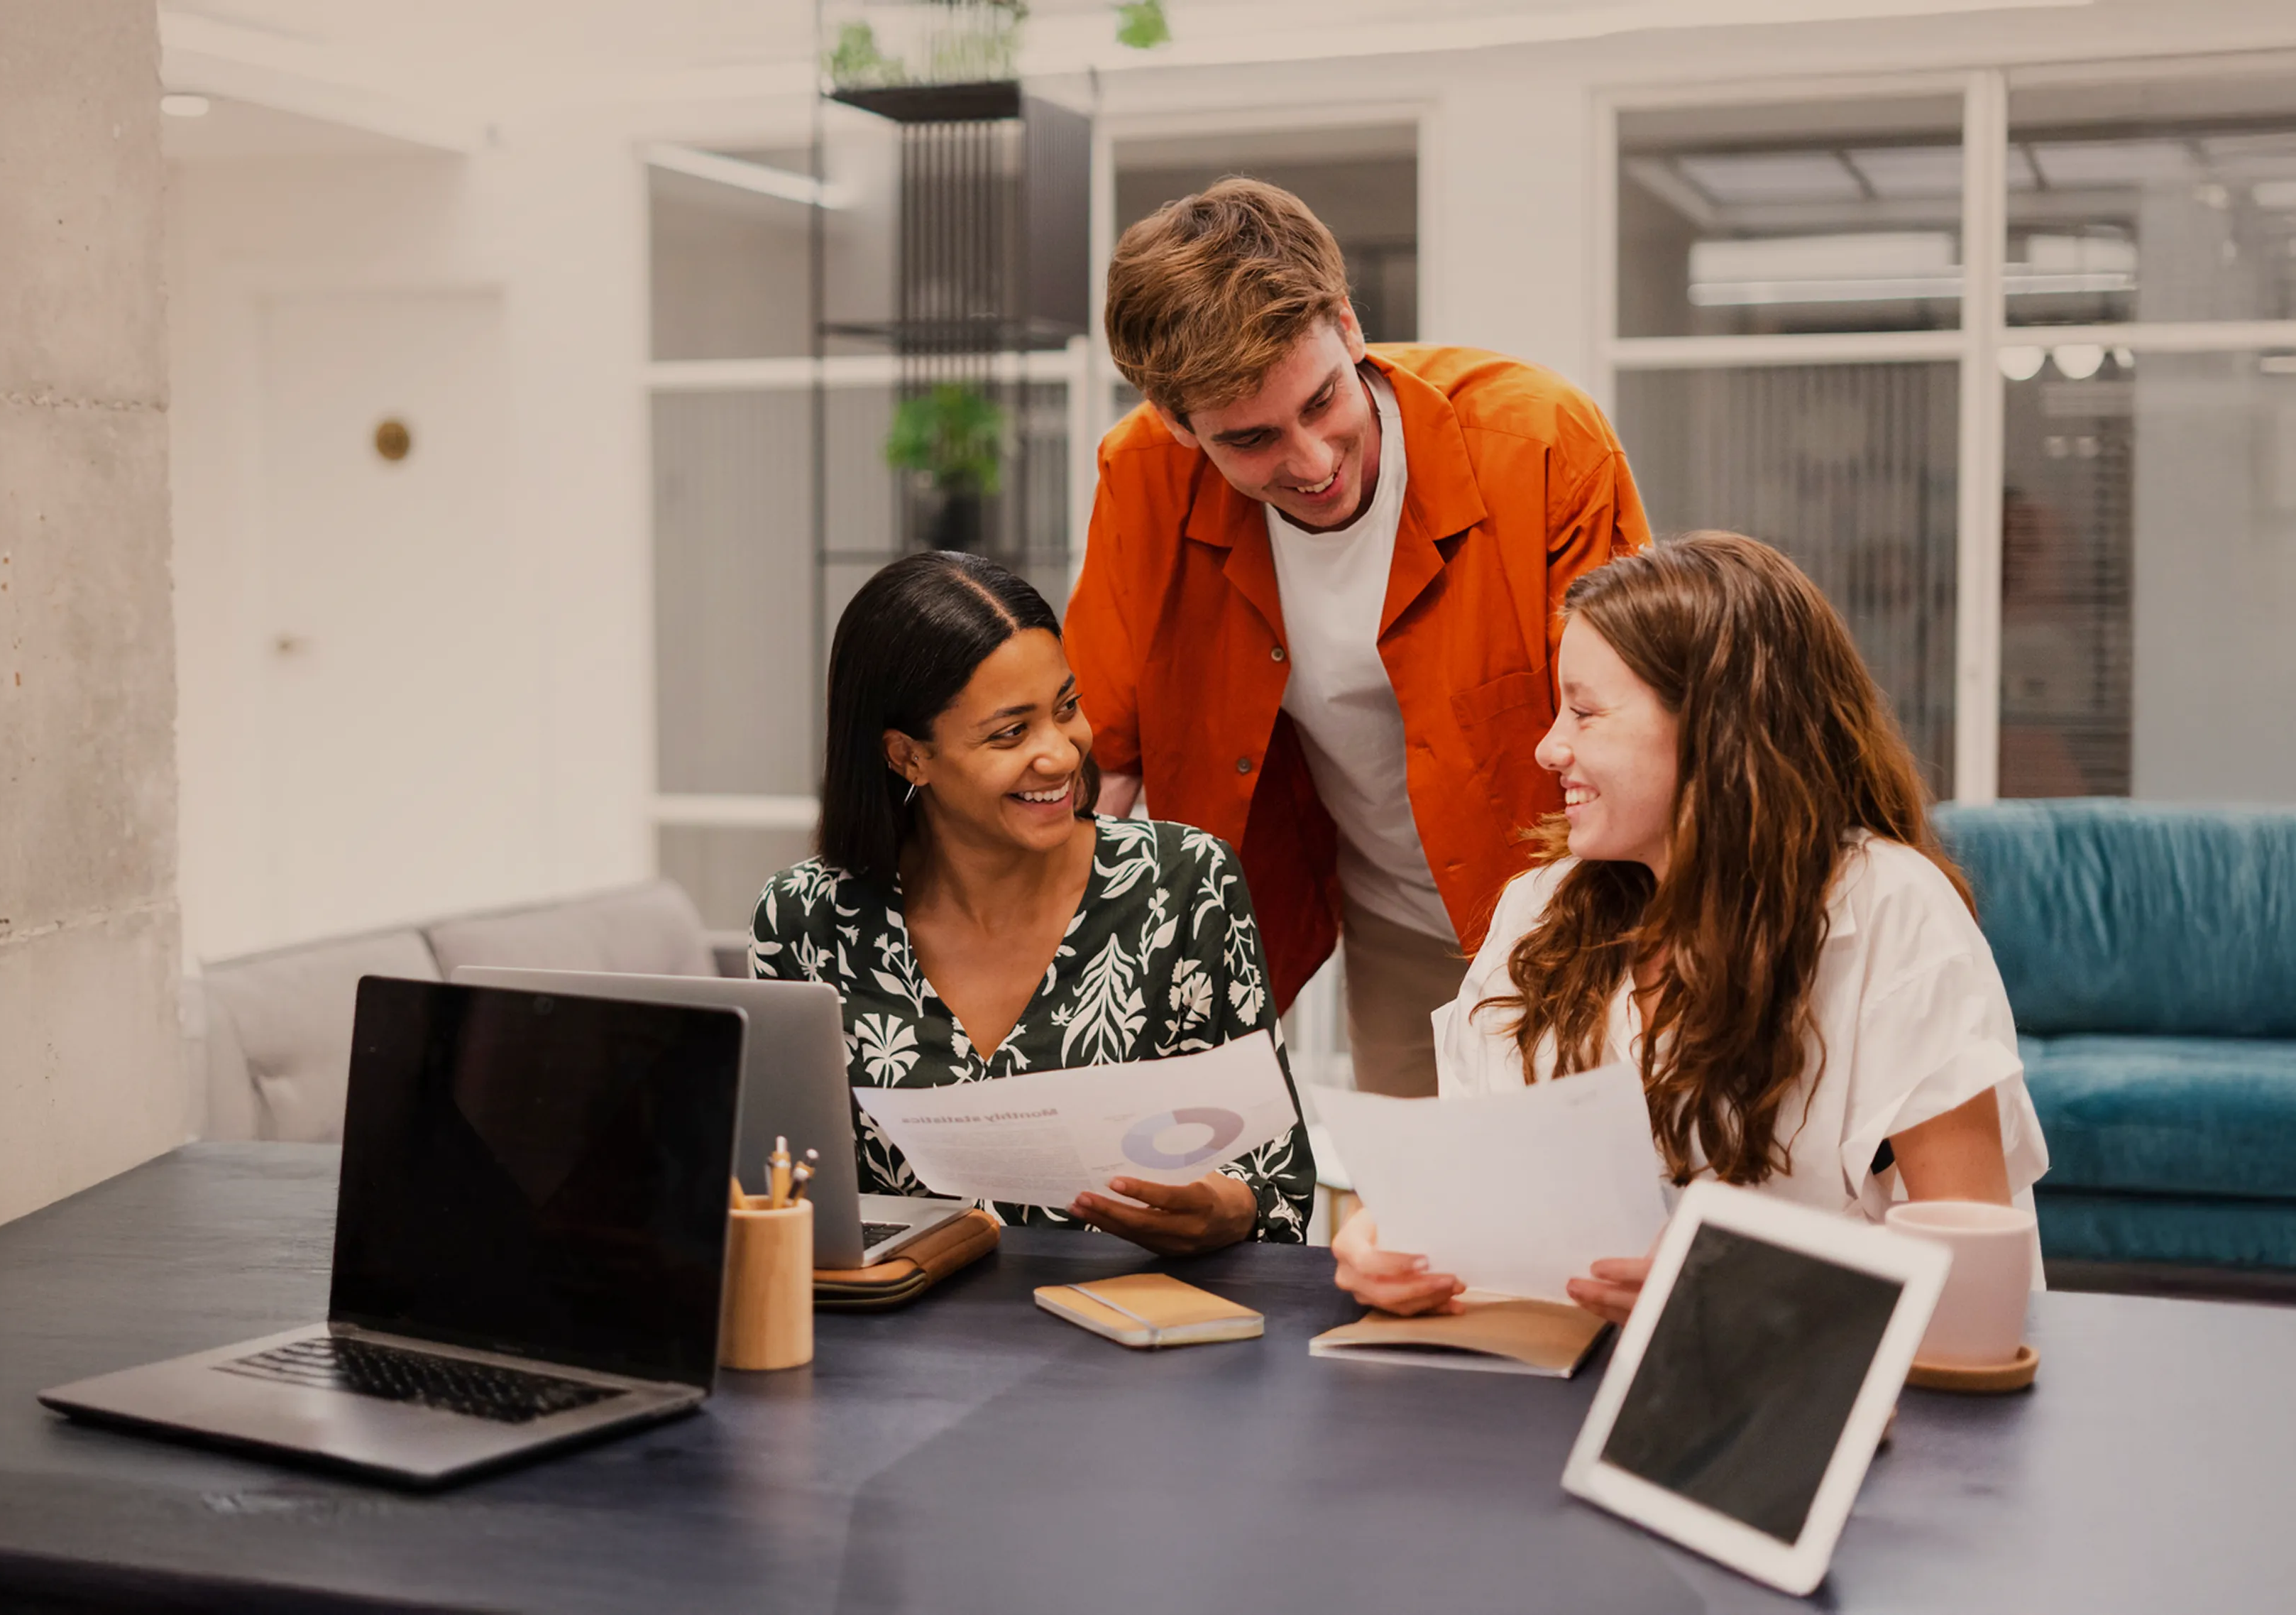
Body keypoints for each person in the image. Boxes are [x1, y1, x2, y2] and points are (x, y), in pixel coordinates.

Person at [1331, 531, 2050, 1322]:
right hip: (1540, 1382)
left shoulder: (1889, 908)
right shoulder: (1536, 910)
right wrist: (1392, 1233)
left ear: (1715, 727)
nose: (1548, 746)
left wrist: (1730, 1288)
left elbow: (1978, 1283)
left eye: (1584, 711)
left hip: (1791, 1404)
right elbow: (1469, 1181)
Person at [1066, 177, 1649, 1097]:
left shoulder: (1539, 444)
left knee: (1601, 1218)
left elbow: (1638, 726)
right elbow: (1099, 757)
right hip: (1402, 928)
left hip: (1587, 911)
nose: (1311, 461)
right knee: (1420, 1228)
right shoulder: (1143, 475)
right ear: (1178, 425)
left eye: (1323, 401)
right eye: (1250, 439)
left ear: (1346, 326)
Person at [751, 551, 1314, 1253]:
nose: (1061, 752)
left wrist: (1222, 1208)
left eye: (1066, 708)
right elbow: (785, 1195)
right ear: (907, 756)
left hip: (1135, 1331)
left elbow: (1275, 1181)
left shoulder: (1184, 883)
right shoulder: (808, 919)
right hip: (894, 1342)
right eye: (1010, 732)